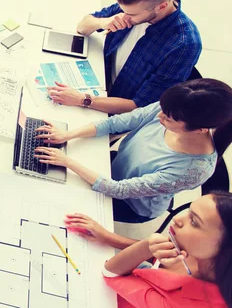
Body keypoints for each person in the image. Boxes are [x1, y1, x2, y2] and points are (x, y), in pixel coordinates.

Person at [34, 78, 232, 223]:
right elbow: (118, 122)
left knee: (52, 204)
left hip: (129, 203)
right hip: (113, 167)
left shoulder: (193, 170)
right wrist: (68, 135)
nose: (159, 115)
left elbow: (118, 190)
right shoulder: (173, 108)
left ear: (200, 130)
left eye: (168, 119)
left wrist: (67, 161)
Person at [48, 0, 202, 115]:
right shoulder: (133, 6)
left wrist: (82, 99)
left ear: (161, 7)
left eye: (131, 14)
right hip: (98, 80)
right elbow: (82, 27)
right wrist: (103, 22)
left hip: (114, 110)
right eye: (123, 11)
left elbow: (140, 106)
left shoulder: (184, 44)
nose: (125, 16)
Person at [63, 192, 232, 308]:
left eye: (194, 222)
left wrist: (145, 246)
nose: (178, 218)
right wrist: (108, 237)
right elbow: (158, 253)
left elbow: (111, 272)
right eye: (189, 212)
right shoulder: (203, 254)